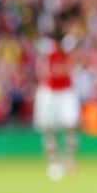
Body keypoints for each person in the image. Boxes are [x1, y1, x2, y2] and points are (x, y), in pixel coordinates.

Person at [33, 33, 81, 181]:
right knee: (49, 128)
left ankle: (69, 160)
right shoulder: (48, 48)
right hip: (50, 92)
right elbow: (33, 38)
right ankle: (53, 163)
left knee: (71, 125)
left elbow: (80, 36)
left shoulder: (68, 45)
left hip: (66, 91)